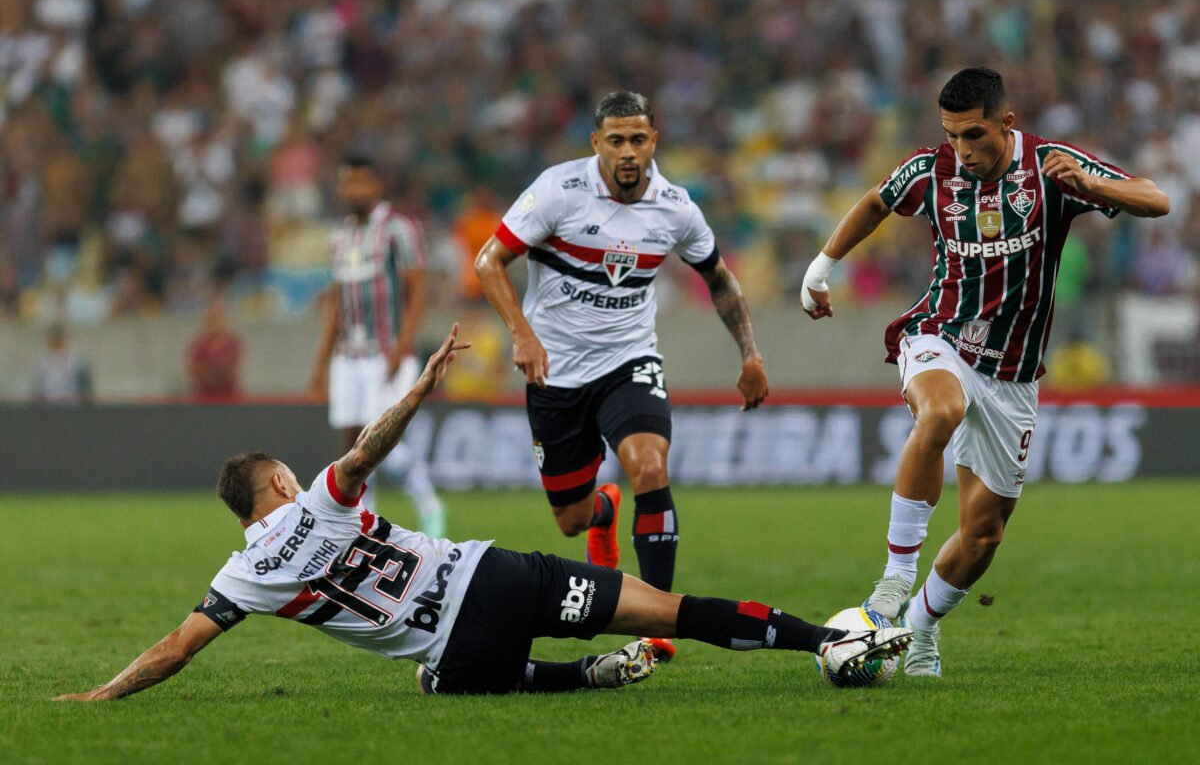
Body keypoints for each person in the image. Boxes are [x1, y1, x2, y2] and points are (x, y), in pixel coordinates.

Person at [53, 324, 912, 700]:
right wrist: (421, 385)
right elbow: (364, 451)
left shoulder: (243, 576)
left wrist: (101, 694)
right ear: (278, 485)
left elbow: (174, 650)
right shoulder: (318, 503)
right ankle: (828, 640)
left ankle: (578, 680)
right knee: (673, 612)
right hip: (496, 571)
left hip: (463, 642)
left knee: (437, 681)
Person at [800, 67, 1169, 677]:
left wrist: (1093, 187)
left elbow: (1157, 199)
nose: (963, 151)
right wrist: (820, 268)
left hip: (1014, 374)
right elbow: (875, 201)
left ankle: (916, 631)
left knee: (982, 538)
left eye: (974, 135)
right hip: (940, 334)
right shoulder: (934, 170)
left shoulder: (1053, 168)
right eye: (952, 137)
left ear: (1007, 122)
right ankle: (893, 580)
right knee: (939, 410)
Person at [474, 92, 770, 659]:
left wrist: (750, 355)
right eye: (616, 140)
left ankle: (657, 619)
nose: (628, 151)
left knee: (650, 465)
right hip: (555, 372)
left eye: (638, 139)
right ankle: (603, 511)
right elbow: (489, 260)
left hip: (628, 361)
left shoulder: (677, 207)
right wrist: (521, 333)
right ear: (596, 143)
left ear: (653, 141)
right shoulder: (558, 191)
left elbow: (721, 279)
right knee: (570, 520)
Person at [308, 154, 446, 536]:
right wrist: (321, 361)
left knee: (380, 438)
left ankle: (429, 504)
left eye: (360, 182)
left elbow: (417, 290)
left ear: (376, 185)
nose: (352, 190)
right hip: (348, 355)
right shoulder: (339, 237)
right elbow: (338, 303)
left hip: (386, 351)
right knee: (352, 445)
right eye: (346, 182)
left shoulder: (399, 230)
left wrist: (402, 347)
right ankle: (363, 525)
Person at [185, 297, 243, 401]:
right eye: (210, 318)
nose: (213, 322)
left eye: (216, 318)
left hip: (228, 399)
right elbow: (194, 372)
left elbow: (232, 371)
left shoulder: (231, 344)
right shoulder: (199, 345)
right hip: (204, 399)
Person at [31, 322, 92, 404]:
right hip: (48, 407)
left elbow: (85, 390)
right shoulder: (42, 364)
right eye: (55, 341)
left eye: (60, 340)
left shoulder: (77, 363)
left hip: (71, 407)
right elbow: (37, 390)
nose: (58, 343)